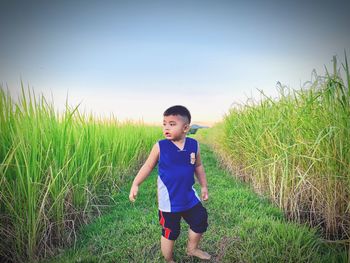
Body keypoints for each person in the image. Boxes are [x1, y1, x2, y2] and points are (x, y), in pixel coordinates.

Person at [129, 105, 211, 262]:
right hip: (169, 202)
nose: (166, 127)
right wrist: (136, 183)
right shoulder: (160, 146)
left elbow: (198, 166)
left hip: (189, 197)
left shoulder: (194, 145)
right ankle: (169, 259)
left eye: (172, 124)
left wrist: (204, 186)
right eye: (164, 123)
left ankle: (192, 248)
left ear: (185, 128)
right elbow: (147, 166)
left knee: (200, 219)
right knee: (170, 231)